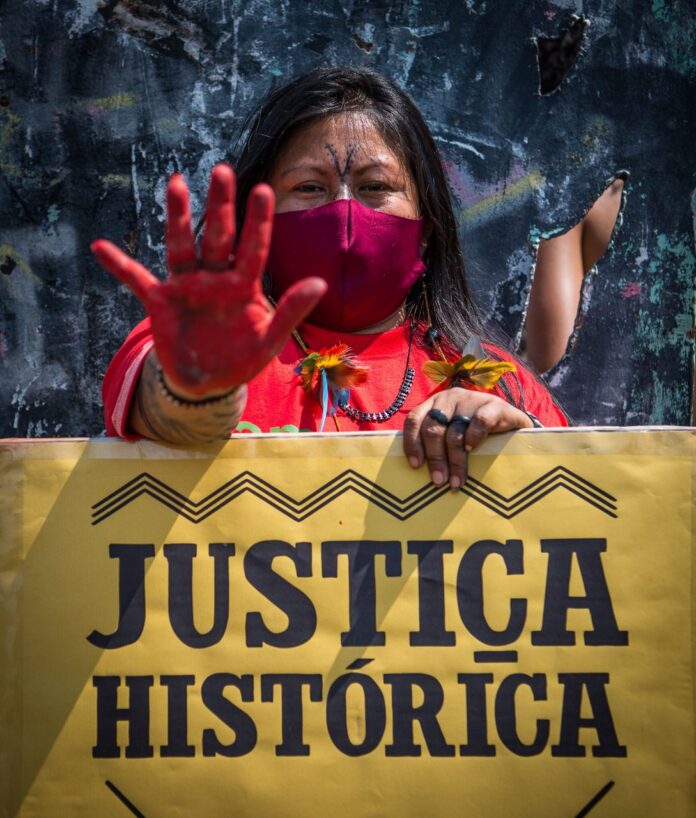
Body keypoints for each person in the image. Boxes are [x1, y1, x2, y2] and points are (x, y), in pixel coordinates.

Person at [95, 66, 568, 491]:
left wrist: (520, 452)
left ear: (426, 228)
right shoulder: (188, 340)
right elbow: (169, 410)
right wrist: (200, 381)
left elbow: (584, 517)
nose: (344, 211)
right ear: (258, 216)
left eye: (375, 187)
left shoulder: (502, 386)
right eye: (308, 188)